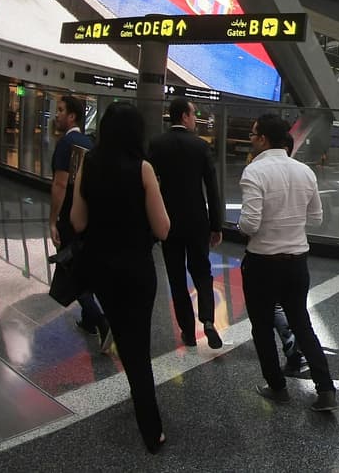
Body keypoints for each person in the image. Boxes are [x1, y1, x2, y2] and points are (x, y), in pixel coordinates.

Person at [70, 102, 171, 453]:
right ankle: (151, 427)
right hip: (137, 271)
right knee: (138, 344)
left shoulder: (89, 164)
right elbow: (163, 227)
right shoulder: (143, 169)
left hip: (102, 271)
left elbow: (78, 222)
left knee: (128, 343)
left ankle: (136, 389)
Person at [238, 113, 337, 412]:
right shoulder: (305, 172)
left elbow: (249, 225)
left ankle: (277, 387)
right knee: (301, 323)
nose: (251, 139)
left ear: (264, 139)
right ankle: (326, 388)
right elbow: (317, 218)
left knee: (262, 327)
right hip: (296, 262)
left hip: (262, 264)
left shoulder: (254, 172)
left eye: (253, 134)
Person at [148, 99, 224, 349]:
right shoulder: (200, 147)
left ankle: (188, 332)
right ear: (184, 116)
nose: (195, 119)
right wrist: (216, 225)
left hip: (168, 221)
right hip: (196, 221)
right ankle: (209, 320)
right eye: (193, 115)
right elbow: (212, 189)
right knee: (202, 271)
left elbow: (150, 184)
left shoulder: (157, 145)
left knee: (176, 277)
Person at [47, 95, 110, 352]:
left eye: (61, 110)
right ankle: (88, 322)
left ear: (72, 116)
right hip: (88, 216)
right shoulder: (89, 144)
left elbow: (60, 184)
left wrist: (53, 220)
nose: (57, 115)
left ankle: (100, 320)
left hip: (70, 217)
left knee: (72, 272)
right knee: (82, 265)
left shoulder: (67, 144)